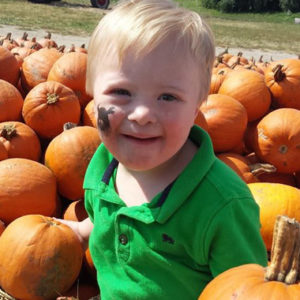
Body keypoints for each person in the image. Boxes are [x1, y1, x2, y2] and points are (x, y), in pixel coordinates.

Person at [58, 0, 268, 299]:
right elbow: (108, 216)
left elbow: (247, 289)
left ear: (198, 105)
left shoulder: (222, 205)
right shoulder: (103, 167)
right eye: (121, 92)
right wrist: (83, 231)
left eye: (167, 97)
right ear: (91, 92)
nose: (142, 113)